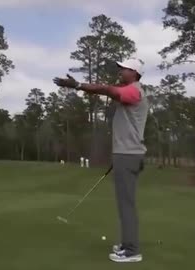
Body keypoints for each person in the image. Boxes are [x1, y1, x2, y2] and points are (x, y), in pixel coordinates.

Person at [53, 57, 148, 263]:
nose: (121, 71)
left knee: (126, 205)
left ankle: (132, 250)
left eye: (125, 69)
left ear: (135, 73)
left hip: (128, 155)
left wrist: (79, 85)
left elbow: (108, 90)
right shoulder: (132, 91)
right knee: (125, 203)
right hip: (127, 154)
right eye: (121, 68)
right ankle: (126, 244)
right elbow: (110, 92)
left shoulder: (134, 90)